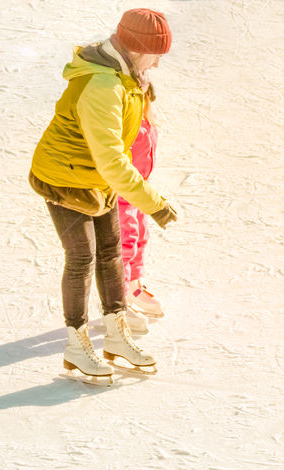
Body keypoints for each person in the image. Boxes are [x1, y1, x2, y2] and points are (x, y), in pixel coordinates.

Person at [29, 8, 177, 381]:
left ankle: (116, 337)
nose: (158, 63)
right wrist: (154, 204)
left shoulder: (124, 77)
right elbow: (111, 159)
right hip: (65, 178)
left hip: (94, 178)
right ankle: (77, 347)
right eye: (157, 53)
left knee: (110, 253)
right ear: (140, 48)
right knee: (82, 258)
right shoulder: (103, 86)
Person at [119, 98, 166, 320]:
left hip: (140, 188)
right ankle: (118, 299)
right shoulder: (124, 112)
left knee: (140, 236)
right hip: (122, 190)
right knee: (125, 240)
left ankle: (135, 287)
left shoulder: (147, 114)